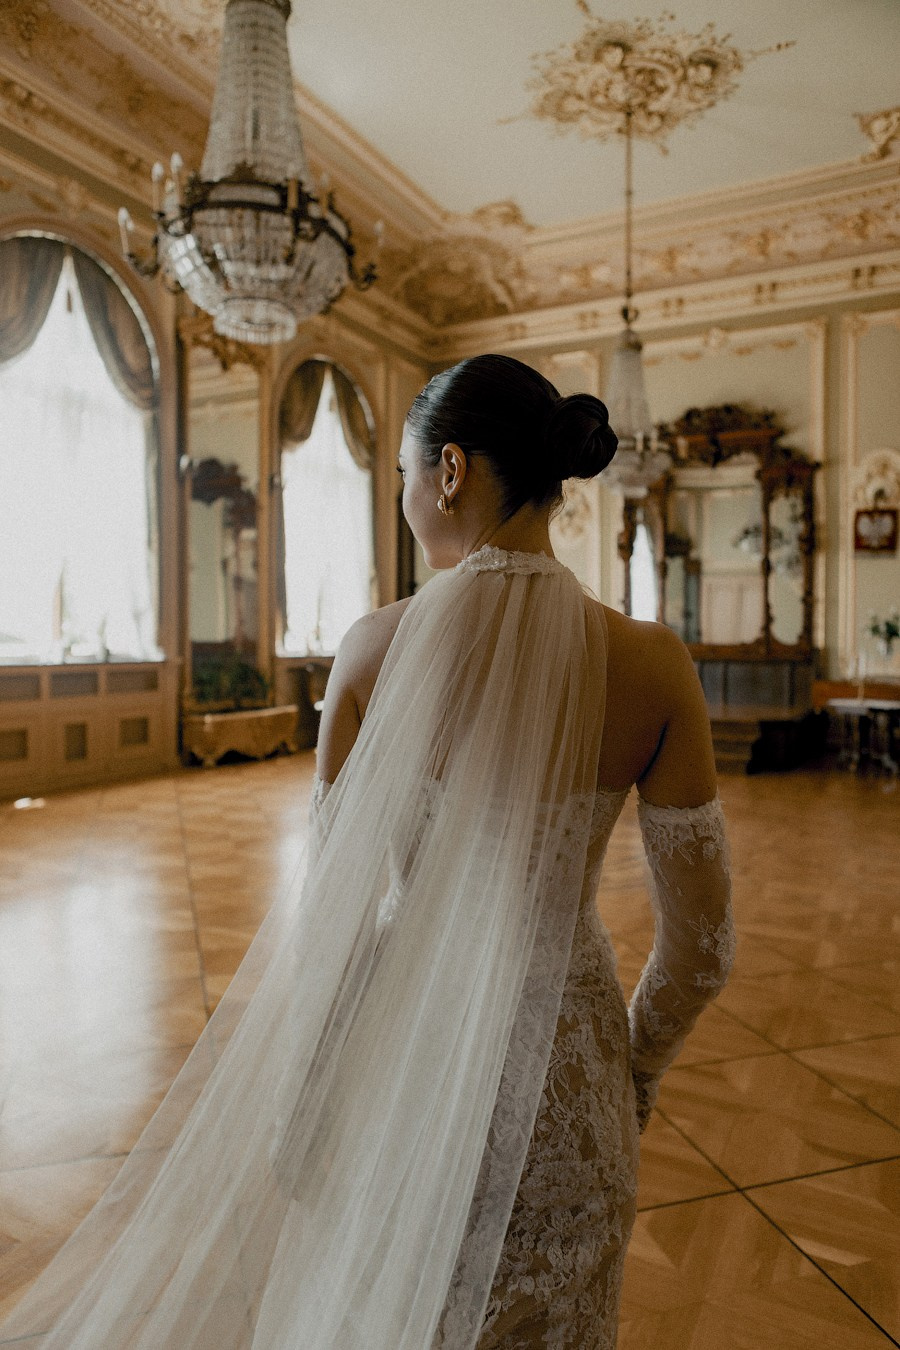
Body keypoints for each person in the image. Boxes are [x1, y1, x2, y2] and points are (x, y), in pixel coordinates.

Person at [0, 354, 733, 1350]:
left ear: (451, 471)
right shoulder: (651, 664)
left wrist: (310, 1098)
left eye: (399, 473)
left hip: (399, 1071)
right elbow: (701, 951)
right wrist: (630, 1072)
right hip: (568, 1085)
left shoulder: (372, 649)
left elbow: (337, 918)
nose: (398, 497)